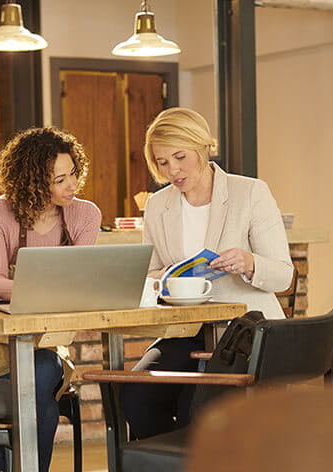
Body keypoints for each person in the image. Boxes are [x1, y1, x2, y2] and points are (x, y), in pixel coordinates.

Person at [119, 107, 294, 440]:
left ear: (202, 147)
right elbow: (153, 271)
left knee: (195, 409)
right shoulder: (158, 205)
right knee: (135, 395)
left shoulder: (250, 193)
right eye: (162, 162)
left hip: (243, 333)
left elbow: (283, 276)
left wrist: (249, 262)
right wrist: (163, 280)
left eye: (180, 157)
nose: (173, 170)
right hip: (185, 331)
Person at [0, 126, 102, 472]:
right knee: (43, 388)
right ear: (32, 180)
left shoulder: (85, 214)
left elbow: (81, 280)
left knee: (43, 371)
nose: (72, 185)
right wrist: (50, 288)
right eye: (59, 180)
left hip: (43, 342)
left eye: (73, 174)